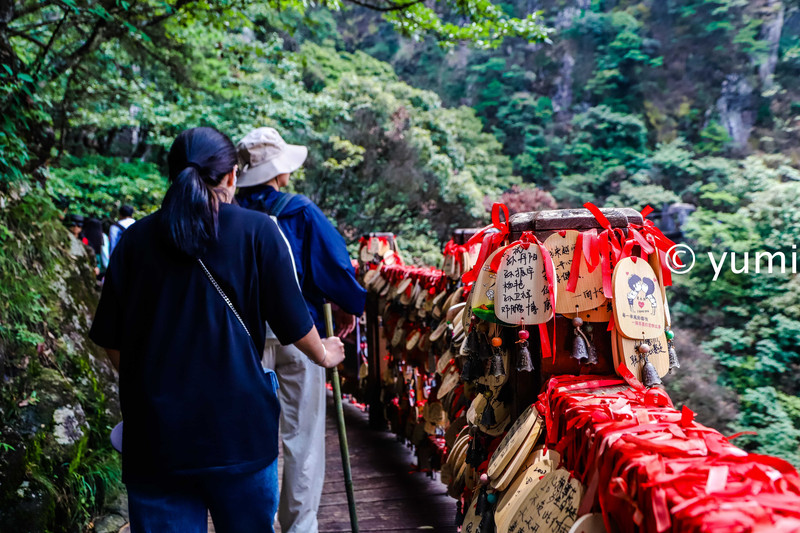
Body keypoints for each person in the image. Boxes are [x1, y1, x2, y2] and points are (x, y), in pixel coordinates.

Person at [88, 126, 345, 532]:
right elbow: (293, 321)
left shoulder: (134, 240)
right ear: (231, 176)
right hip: (240, 437)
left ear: (172, 175)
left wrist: (151, 383)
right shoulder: (258, 231)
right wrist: (325, 354)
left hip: (156, 442)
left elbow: (112, 340)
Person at [236, 127, 366, 533]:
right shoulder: (300, 210)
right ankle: (300, 527)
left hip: (244, 340)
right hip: (302, 336)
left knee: (249, 436)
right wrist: (349, 305)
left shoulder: (228, 213)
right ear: (279, 172)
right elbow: (335, 265)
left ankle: (253, 523)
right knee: (303, 438)